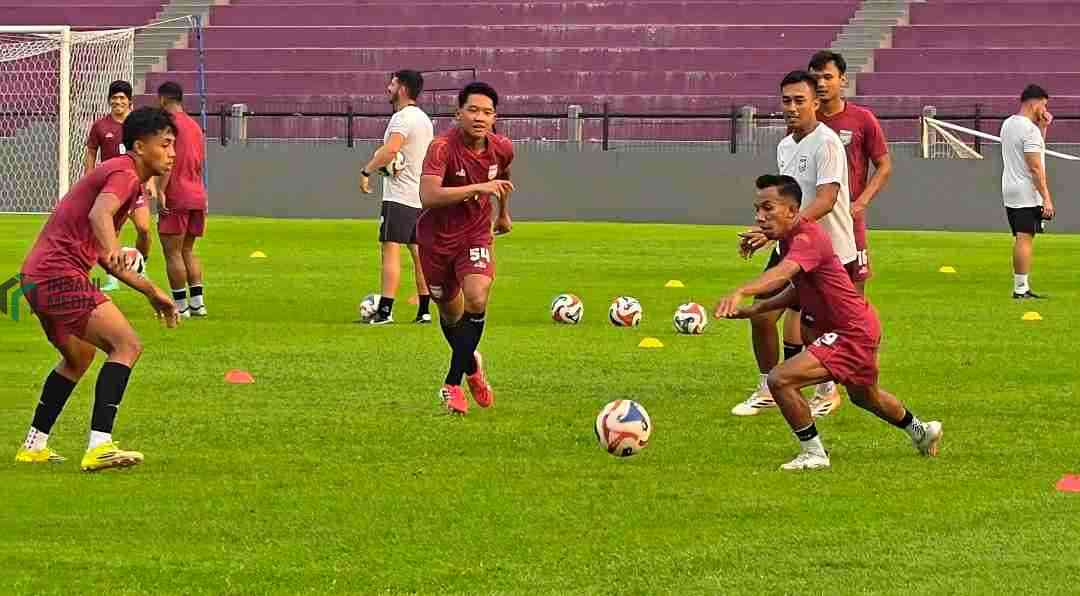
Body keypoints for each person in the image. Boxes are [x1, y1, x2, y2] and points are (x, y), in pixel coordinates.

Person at [715, 174, 942, 470]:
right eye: (757, 209)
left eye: (768, 208)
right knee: (865, 397)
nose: (760, 217)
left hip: (850, 332)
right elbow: (797, 290)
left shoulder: (807, 238)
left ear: (792, 210)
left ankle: (814, 454)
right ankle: (922, 431)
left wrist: (742, 291)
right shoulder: (790, 239)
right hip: (853, 328)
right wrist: (756, 309)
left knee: (780, 379)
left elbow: (783, 274)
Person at [15, 107, 181, 471]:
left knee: (79, 358)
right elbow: (99, 217)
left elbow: (106, 256)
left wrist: (150, 290)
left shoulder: (122, 176)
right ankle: (100, 446)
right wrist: (114, 246)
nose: (172, 153)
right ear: (140, 146)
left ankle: (34, 445)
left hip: (36, 277)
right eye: (165, 144)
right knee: (126, 345)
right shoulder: (124, 173)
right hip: (57, 275)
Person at [732, 70, 856, 419]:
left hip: (830, 251)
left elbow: (827, 199)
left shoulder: (827, 143)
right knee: (762, 315)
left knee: (819, 330)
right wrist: (770, 232)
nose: (791, 107)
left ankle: (827, 392)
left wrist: (779, 230)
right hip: (792, 248)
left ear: (815, 103)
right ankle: (766, 388)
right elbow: (784, 206)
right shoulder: (785, 145)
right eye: (786, 100)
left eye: (800, 100)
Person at [418, 82, 514, 415]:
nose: (479, 117)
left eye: (487, 112)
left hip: (475, 235)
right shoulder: (441, 148)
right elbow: (428, 196)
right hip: (436, 240)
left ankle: (453, 383)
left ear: (494, 117)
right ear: (458, 113)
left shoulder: (502, 147)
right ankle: (472, 366)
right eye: (473, 110)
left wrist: (503, 214)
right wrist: (478, 187)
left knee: (477, 296)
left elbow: (502, 179)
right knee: (450, 313)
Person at [809, 50, 892, 295]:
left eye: (828, 77)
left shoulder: (862, 119)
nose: (821, 84)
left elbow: (884, 165)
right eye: (815, 78)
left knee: (854, 289)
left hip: (847, 215)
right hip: (813, 215)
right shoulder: (805, 120)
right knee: (805, 289)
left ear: (843, 80)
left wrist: (861, 202)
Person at [359, 69, 434, 324]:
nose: (388, 88)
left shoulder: (402, 118)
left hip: (400, 195)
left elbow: (391, 150)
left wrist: (367, 170)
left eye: (392, 84)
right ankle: (424, 311)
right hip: (421, 196)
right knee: (419, 254)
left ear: (402, 88)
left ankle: (385, 311)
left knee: (389, 249)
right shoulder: (424, 119)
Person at [85, 80, 151, 292]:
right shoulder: (100, 126)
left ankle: (141, 265)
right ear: (109, 100)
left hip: (135, 185)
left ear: (129, 101)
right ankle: (113, 276)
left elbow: (147, 152)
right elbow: (91, 151)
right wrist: (89, 176)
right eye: (114, 98)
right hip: (111, 188)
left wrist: (149, 180)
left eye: (122, 98)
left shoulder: (136, 125)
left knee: (144, 228)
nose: (118, 101)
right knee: (111, 232)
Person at [152, 81, 208, 317]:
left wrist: (161, 191)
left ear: (162, 99)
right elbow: (199, 161)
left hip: (177, 193)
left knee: (172, 252)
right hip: (197, 193)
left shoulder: (169, 125)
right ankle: (198, 304)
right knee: (188, 250)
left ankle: (181, 306)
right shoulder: (195, 126)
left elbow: (169, 160)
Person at [1000, 84, 1054, 299]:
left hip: (1010, 188)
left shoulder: (1008, 124)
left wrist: (1043, 128)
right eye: (1044, 105)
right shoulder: (1029, 130)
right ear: (1034, 103)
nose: (1045, 110)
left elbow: (1035, 150)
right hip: (1026, 192)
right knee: (1025, 238)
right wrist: (1047, 198)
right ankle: (1020, 289)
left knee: (1020, 237)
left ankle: (1021, 286)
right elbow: (1035, 167)